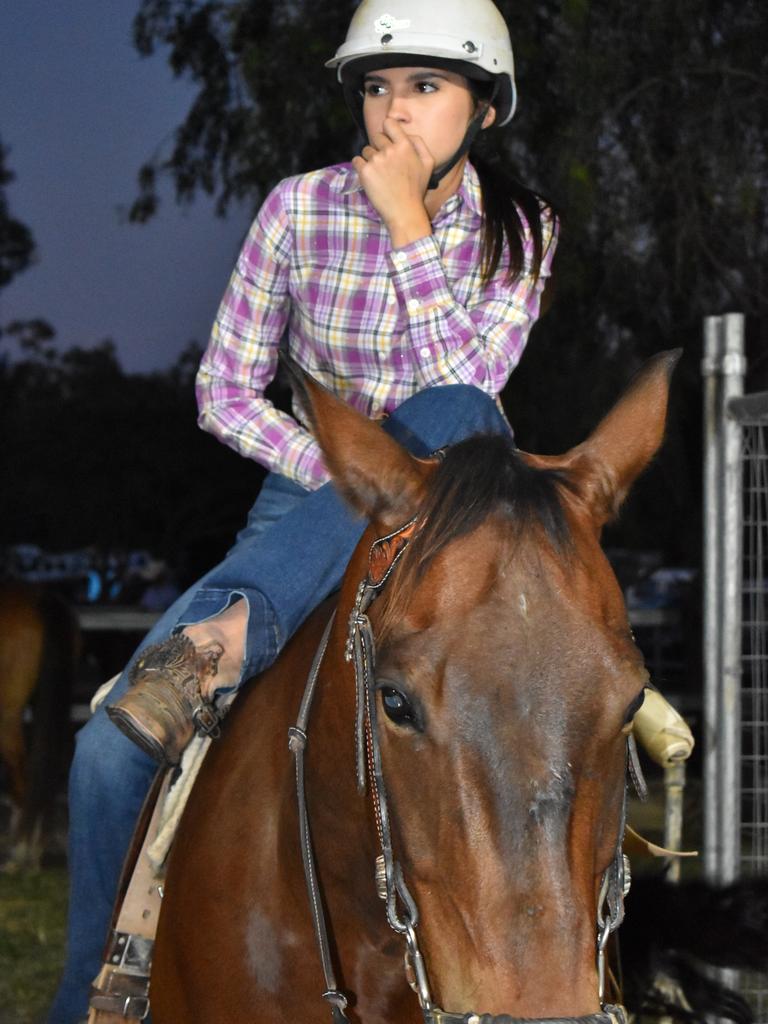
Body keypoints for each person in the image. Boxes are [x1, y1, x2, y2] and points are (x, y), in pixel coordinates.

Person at [48, 1, 559, 1019]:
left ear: (486, 110)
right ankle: (89, 993)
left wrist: (412, 225)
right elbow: (224, 390)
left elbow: (472, 405)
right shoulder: (297, 209)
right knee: (108, 743)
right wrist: (337, 476)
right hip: (304, 507)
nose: (392, 113)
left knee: (455, 410)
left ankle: (539, 939)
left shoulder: (522, 231)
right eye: (376, 87)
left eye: (424, 87)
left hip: (446, 515)